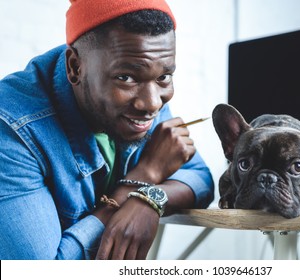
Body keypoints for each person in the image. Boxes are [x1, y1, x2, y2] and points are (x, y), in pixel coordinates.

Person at [0, 0, 214, 260]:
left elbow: (200, 178)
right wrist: (146, 175)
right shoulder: (12, 128)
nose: (152, 103)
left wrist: (147, 200)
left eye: (164, 77)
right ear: (75, 68)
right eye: (125, 78)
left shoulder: (140, 99)